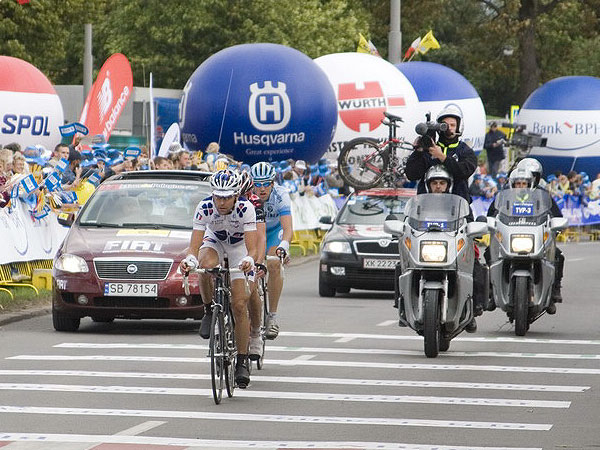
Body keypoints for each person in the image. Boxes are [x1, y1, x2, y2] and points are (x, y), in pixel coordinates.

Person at [179, 169, 259, 388]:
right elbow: (194, 246)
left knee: (240, 304)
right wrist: (190, 260)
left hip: (238, 247)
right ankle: (207, 310)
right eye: (218, 196)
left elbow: (252, 248)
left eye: (226, 197)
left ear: (236, 196)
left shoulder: (246, 208)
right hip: (214, 242)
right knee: (205, 266)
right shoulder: (204, 207)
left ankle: (242, 360)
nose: (221, 202)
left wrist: (250, 260)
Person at [423, 165, 480, 332]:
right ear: (428, 185)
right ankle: (401, 304)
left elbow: (469, 223)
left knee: (476, 266)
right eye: (434, 183)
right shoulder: (421, 204)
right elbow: (408, 222)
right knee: (402, 266)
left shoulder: (459, 205)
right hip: (426, 249)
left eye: (442, 182)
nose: (438, 186)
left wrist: (472, 230)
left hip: (451, 248)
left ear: (449, 185)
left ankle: (473, 310)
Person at [250, 161, 293, 339]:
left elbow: (288, 229)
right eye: (257, 184)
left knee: (274, 263)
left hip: (274, 232)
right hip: (253, 232)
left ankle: (272, 317)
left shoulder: (281, 195)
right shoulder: (246, 195)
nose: (261, 188)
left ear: (273, 183)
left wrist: (284, 246)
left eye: (266, 183)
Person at [405, 105, 477, 203]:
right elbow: (411, 175)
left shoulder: (465, 150)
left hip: (458, 208)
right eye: (445, 125)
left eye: (452, 125)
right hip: (427, 207)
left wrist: (442, 157)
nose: (449, 129)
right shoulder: (429, 149)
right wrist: (418, 152)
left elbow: (464, 171)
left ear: (459, 127)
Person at [237, 171, 268, 361]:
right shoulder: (220, 201)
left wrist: (258, 263)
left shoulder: (255, 203)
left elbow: (260, 236)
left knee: (252, 288)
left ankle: (255, 333)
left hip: (249, 243)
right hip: (229, 243)